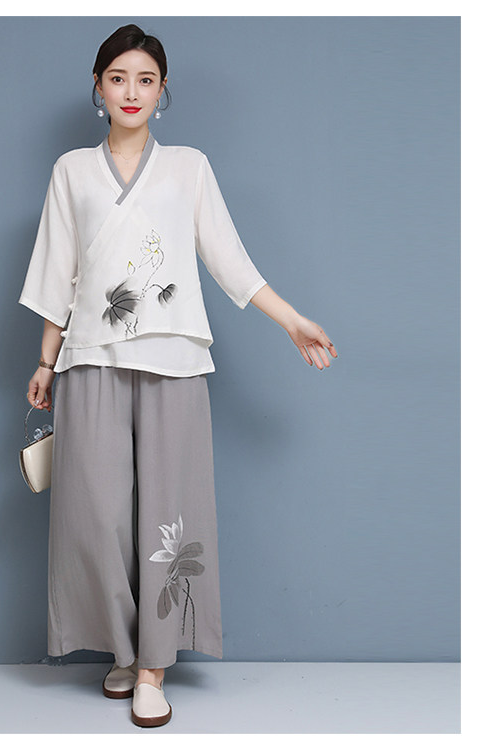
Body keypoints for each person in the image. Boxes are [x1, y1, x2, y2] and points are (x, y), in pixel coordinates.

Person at [18, 23, 337, 729]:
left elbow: (228, 258)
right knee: (95, 516)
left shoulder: (189, 166)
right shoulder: (71, 170)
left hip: (175, 363)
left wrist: (291, 320)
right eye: (118, 78)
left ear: (163, 91)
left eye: (146, 80)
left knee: (170, 512)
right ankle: (124, 650)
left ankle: (153, 668)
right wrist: (45, 361)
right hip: (91, 357)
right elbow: (58, 272)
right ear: (98, 87)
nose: (131, 92)